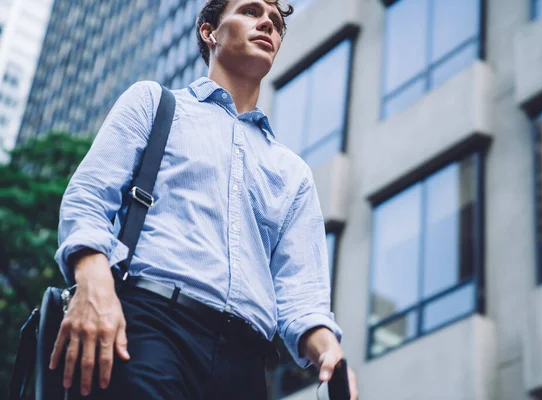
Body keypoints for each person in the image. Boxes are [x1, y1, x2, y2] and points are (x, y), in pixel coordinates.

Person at [49, 0, 359, 399]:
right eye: (250, 11)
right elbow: (89, 197)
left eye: (277, 23)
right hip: (148, 329)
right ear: (209, 32)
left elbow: (301, 295)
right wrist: (93, 286)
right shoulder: (155, 104)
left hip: (245, 365)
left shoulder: (293, 172)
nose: (268, 22)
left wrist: (330, 353)